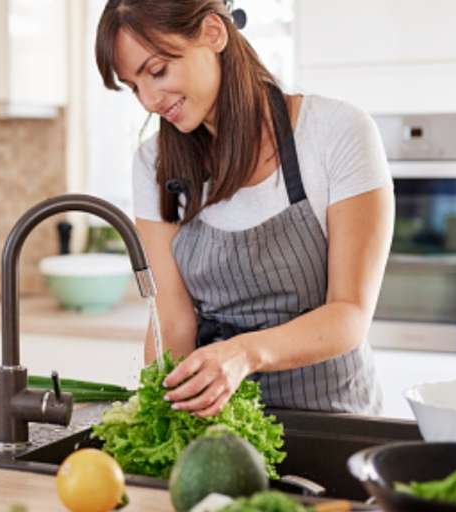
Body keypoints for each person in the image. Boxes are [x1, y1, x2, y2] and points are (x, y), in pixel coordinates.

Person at [96, 0, 394, 416]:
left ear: (213, 33)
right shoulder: (155, 163)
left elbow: (349, 314)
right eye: (133, 86)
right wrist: (157, 418)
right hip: (217, 429)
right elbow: (173, 321)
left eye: (158, 70)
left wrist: (244, 353)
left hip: (335, 419)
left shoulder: (336, 132)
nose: (148, 100)